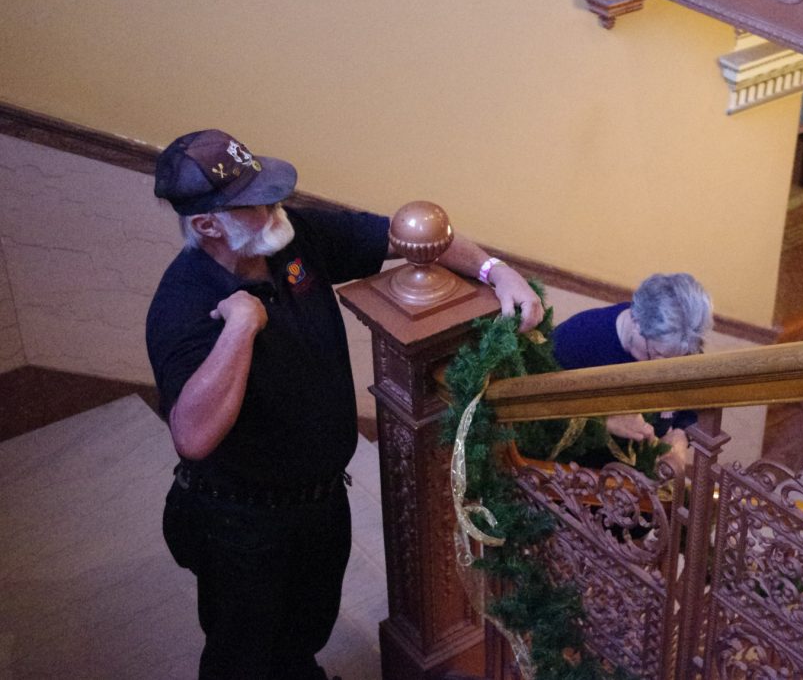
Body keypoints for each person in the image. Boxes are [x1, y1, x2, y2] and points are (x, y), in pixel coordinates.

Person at [145, 128, 543, 680]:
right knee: (243, 652)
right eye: (255, 203)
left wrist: (496, 272)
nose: (275, 207)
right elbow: (192, 436)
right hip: (238, 518)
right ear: (209, 225)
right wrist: (239, 327)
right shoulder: (182, 302)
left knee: (306, 628)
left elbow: (411, 235)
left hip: (320, 497)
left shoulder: (294, 237)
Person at [551, 272, 713, 454]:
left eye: (676, 361)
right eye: (656, 354)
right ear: (636, 320)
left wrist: (681, 434)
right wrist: (603, 420)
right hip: (570, 470)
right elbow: (539, 416)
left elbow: (690, 407)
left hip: (638, 472)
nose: (663, 371)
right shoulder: (577, 338)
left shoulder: (679, 348)